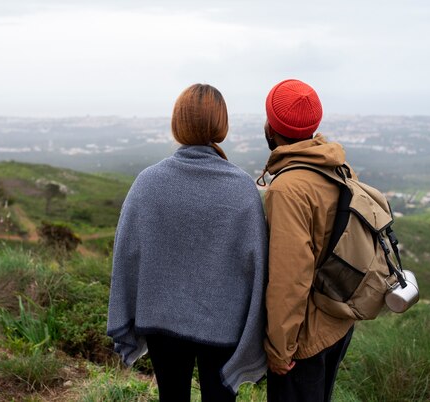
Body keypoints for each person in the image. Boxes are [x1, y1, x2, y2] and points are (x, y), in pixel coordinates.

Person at [107, 84, 268, 402]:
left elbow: (126, 255)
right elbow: (258, 267)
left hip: (161, 320)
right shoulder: (242, 189)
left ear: (177, 123)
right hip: (224, 323)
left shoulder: (148, 182)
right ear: (221, 126)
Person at [257, 79, 355, 402]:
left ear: (271, 126)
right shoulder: (337, 165)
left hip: (305, 340)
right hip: (338, 320)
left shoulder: (288, 189)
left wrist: (280, 348)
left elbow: (291, 277)